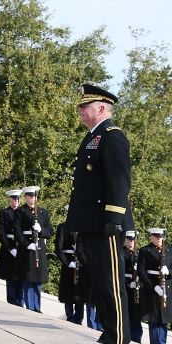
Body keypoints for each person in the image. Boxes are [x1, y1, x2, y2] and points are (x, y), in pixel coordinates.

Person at [66, 83, 133, 344]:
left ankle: (118, 337)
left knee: (112, 285)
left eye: (85, 107)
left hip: (106, 224)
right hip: (91, 223)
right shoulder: (94, 136)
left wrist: (114, 218)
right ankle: (109, 331)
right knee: (100, 284)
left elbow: (119, 182)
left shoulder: (112, 136)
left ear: (101, 108)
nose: (81, 111)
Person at [12, 186, 54, 313]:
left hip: (39, 249)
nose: (33, 198)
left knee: (37, 281)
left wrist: (41, 230)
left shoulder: (43, 212)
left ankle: (37, 307)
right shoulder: (20, 212)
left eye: (34, 196)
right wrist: (26, 244)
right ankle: (30, 307)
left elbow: (50, 231)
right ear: (25, 197)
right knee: (27, 279)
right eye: (30, 196)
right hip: (27, 250)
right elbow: (17, 232)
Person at [137, 228, 171, 344]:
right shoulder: (145, 250)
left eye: (160, 236)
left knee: (163, 321)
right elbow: (141, 271)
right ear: (151, 237)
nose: (159, 238)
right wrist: (153, 287)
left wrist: (169, 272)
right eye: (156, 236)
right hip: (152, 290)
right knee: (154, 320)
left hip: (165, 290)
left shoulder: (169, 250)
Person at [0, 189, 24, 306]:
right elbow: (1, 232)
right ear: (10, 199)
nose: (15, 201)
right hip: (9, 247)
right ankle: (11, 300)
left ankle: (20, 301)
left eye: (17, 199)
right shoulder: (4, 213)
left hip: (21, 247)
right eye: (13, 199)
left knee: (21, 275)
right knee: (10, 275)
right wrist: (9, 248)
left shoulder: (23, 212)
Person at [55, 215, 84, 324]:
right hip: (69, 264)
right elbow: (59, 248)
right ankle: (70, 316)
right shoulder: (63, 227)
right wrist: (67, 262)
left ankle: (79, 318)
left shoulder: (83, 228)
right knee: (68, 292)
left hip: (80, 265)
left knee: (80, 293)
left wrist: (83, 262)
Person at [123, 230, 143, 343]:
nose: (131, 242)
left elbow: (141, 270)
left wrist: (137, 281)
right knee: (125, 311)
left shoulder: (139, 253)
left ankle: (136, 336)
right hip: (124, 284)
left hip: (136, 287)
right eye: (129, 240)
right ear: (125, 240)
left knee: (135, 312)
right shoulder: (121, 251)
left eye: (133, 240)